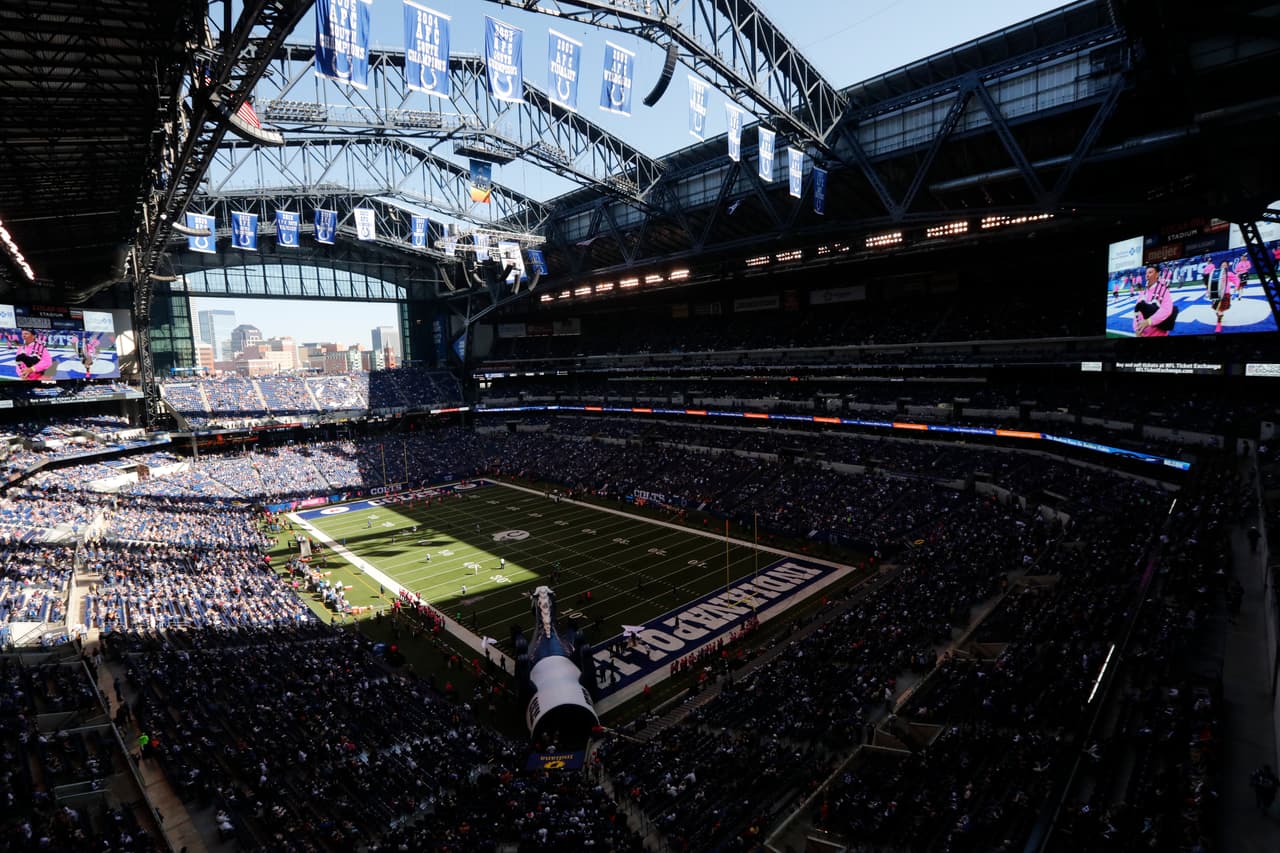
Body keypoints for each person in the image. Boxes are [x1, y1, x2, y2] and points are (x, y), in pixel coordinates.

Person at [1133, 265, 1177, 337]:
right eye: (1146, 273)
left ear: (1157, 275)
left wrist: (1149, 321)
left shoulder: (1164, 291)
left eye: (1150, 272)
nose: (1147, 275)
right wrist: (1137, 329)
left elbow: (1167, 309)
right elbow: (1136, 312)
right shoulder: (1142, 293)